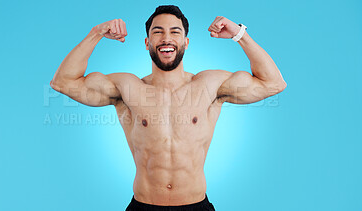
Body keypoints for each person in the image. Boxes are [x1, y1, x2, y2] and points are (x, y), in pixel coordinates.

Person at [50, 5, 286, 211]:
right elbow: (63, 82)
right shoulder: (127, 88)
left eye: (175, 32)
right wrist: (97, 33)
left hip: (197, 206)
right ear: (147, 43)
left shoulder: (210, 85)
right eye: (157, 32)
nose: (166, 38)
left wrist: (239, 34)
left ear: (186, 42)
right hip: (143, 206)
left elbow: (273, 83)